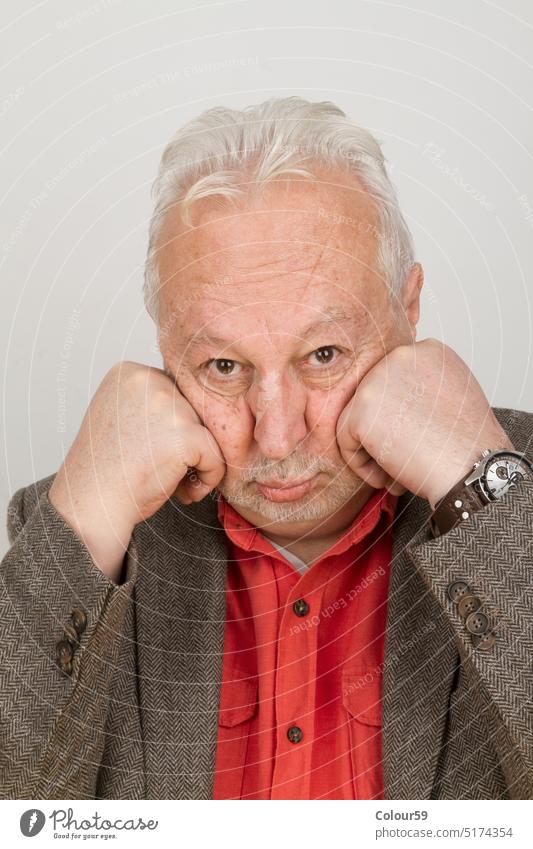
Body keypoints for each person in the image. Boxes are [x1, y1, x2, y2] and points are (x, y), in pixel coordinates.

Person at [1, 97, 532, 800]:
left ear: (407, 310)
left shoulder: (513, 489)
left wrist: (483, 491)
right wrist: (86, 511)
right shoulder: (84, 527)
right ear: (163, 349)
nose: (277, 436)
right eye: (223, 366)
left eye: (323, 353)